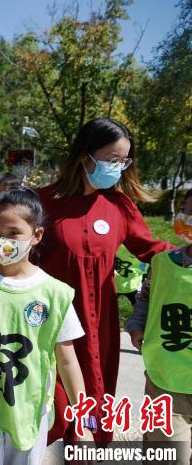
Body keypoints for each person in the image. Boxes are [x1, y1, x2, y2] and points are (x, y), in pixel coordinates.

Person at [37, 118, 173, 446]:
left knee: (95, 401)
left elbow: (152, 250)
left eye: (123, 161)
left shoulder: (119, 206)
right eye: (111, 159)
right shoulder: (42, 202)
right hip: (50, 323)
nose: (118, 167)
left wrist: (187, 255)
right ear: (85, 156)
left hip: (100, 325)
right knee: (52, 404)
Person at [0, 188, 93, 465]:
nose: (1, 241)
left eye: (13, 233)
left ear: (37, 236)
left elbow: (68, 359)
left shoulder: (55, 294)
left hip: (31, 408)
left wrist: (81, 417)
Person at [125, 189, 192, 465]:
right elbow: (146, 298)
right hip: (165, 376)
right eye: (188, 211)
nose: (188, 217)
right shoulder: (163, 262)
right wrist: (136, 326)